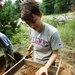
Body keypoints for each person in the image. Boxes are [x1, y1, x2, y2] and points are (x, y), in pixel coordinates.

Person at [21, 1, 63, 75]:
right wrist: (29, 49)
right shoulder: (30, 29)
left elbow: (55, 53)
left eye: (33, 21)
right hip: (35, 63)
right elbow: (34, 40)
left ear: (40, 15)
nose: (32, 26)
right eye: (28, 24)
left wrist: (46, 67)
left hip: (48, 65)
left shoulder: (52, 32)